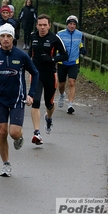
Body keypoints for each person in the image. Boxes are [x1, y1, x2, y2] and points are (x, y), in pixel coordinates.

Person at [0, 23, 39, 177]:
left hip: (18, 99)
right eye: (3, 36)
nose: (5, 39)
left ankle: (19, 137)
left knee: (14, 132)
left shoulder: (21, 56)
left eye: (8, 36)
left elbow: (35, 73)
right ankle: (6, 164)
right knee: (2, 132)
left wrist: (31, 94)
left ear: (13, 38)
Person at [28, 14, 68, 145]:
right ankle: (37, 133)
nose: (42, 27)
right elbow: (30, 54)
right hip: (36, 74)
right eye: (40, 25)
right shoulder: (33, 36)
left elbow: (64, 55)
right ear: (36, 25)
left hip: (50, 75)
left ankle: (49, 118)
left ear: (49, 25)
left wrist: (51, 59)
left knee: (49, 103)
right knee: (36, 101)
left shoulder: (55, 39)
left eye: (45, 25)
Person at [56, 15, 86, 114]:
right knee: (61, 84)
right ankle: (61, 95)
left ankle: (70, 105)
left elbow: (80, 43)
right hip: (62, 62)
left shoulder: (79, 34)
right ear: (67, 24)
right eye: (70, 24)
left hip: (74, 62)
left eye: (74, 24)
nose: (72, 26)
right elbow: (55, 46)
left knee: (72, 82)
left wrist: (82, 49)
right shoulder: (60, 34)